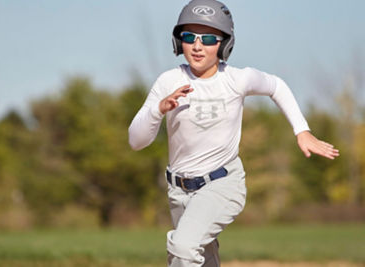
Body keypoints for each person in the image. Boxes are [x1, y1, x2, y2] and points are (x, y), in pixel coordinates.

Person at [128, 0, 340, 266]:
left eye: (208, 38)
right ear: (177, 40)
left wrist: (302, 130)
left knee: (183, 248)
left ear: (225, 43)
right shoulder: (168, 82)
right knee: (201, 259)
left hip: (222, 183)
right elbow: (136, 141)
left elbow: (277, 86)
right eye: (189, 36)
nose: (197, 45)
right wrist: (158, 109)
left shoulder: (236, 79)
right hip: (179, 190)